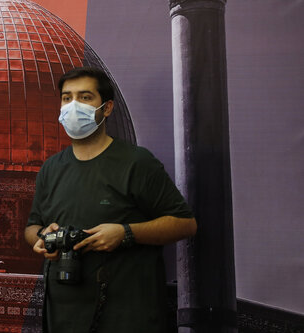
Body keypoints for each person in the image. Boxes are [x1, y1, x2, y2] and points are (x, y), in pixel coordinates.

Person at [24, 67, 197, 333]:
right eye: (67, 98)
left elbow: (185, 224)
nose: (73, 106)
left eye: (85, 97)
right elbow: (32, 227)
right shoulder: (51, 168)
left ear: (106, 108)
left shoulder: (136, 163)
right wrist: (42, 237)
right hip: (63, 317)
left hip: (127, 317)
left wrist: (125, 233)